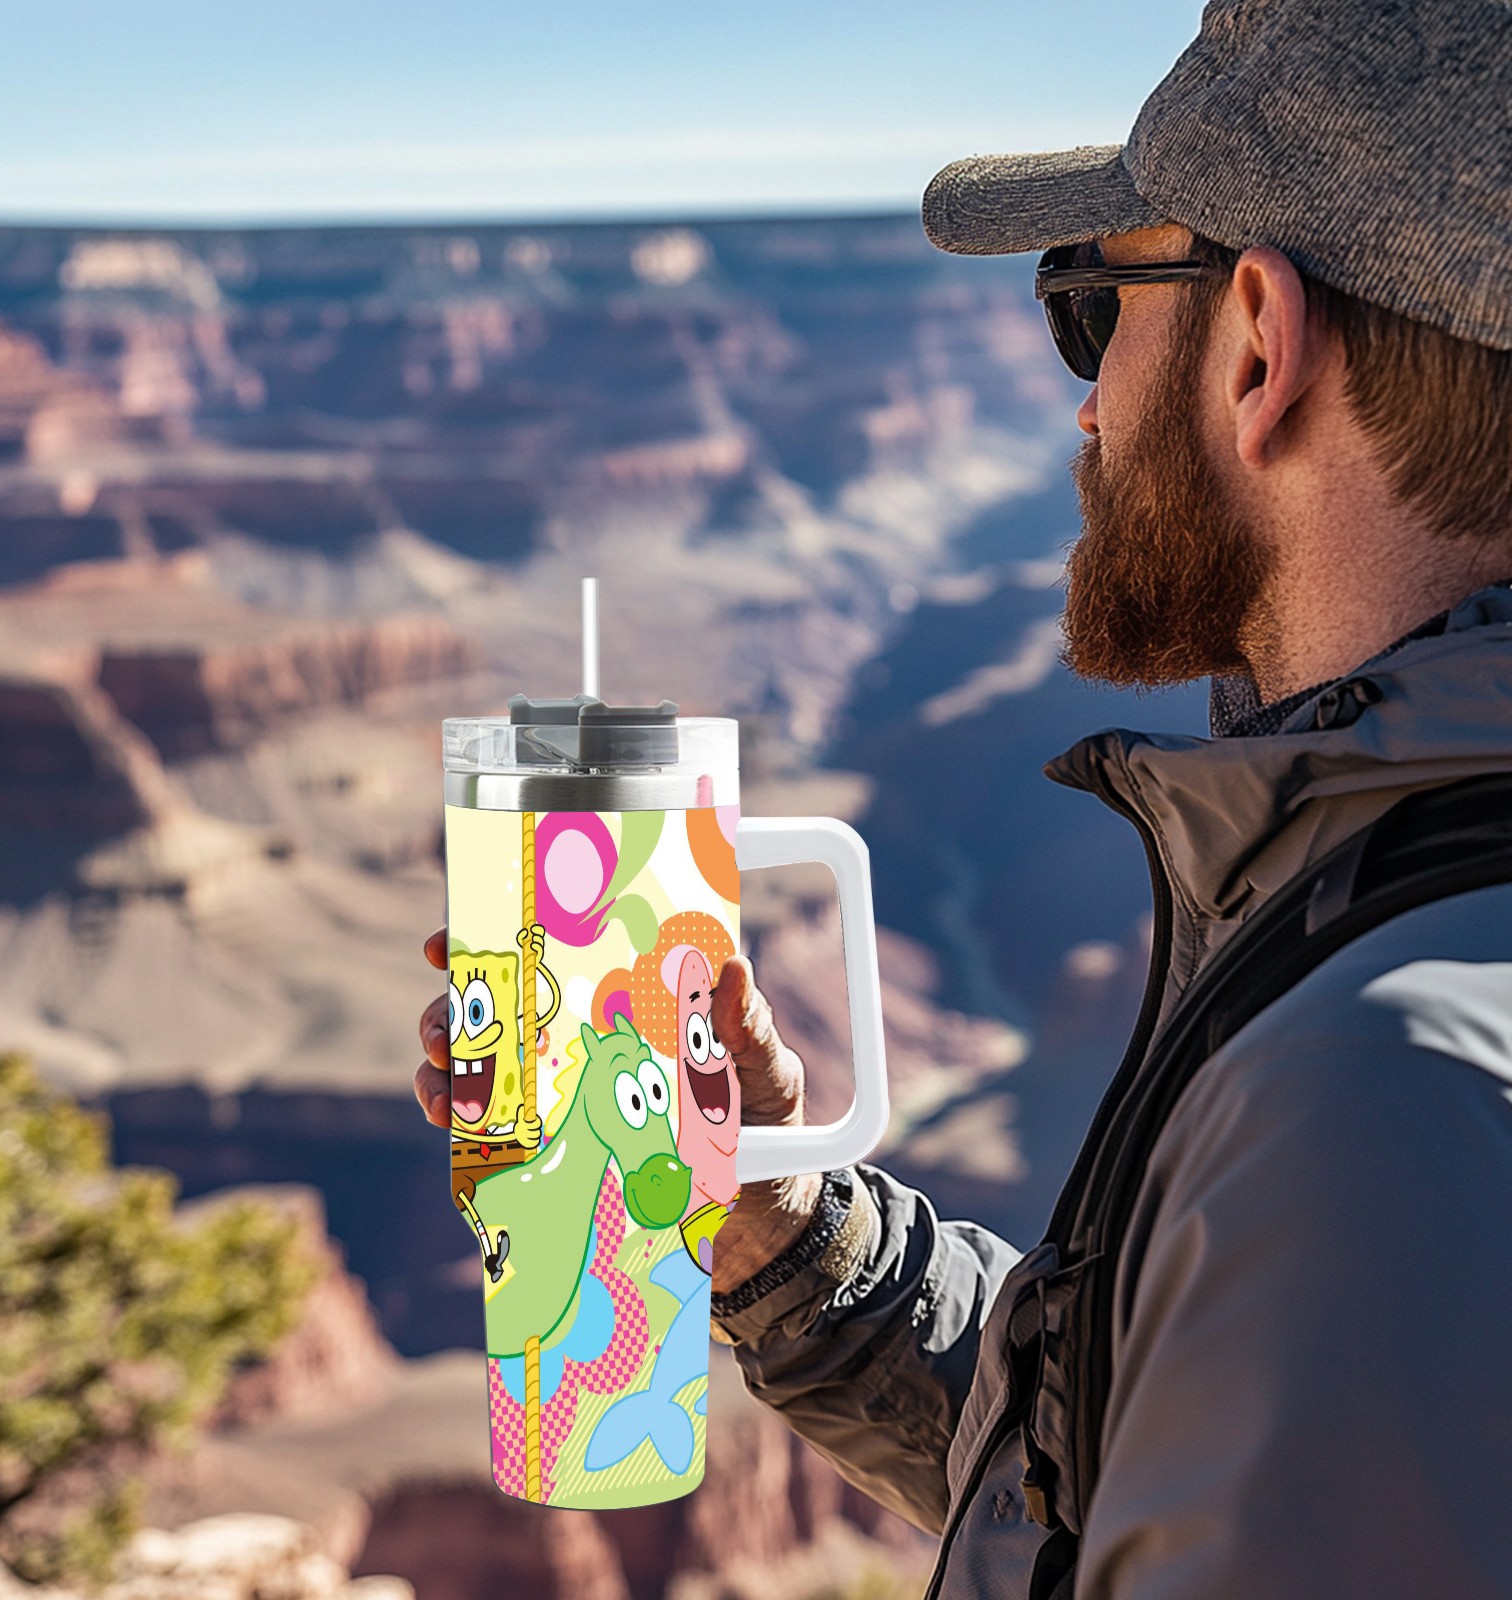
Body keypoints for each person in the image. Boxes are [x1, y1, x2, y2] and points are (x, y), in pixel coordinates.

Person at [416, 0, 1512, 1592]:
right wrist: (777, 1219)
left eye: (1094, 305)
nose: (1085, 402)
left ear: (1259, 344)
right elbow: (1146, 1471)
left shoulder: (1371, 1104)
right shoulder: (1404, 961)